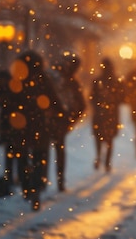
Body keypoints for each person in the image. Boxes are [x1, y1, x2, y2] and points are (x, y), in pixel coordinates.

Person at [10, 50, 66, 211]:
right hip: (39, 125)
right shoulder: (43, 79)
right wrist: (60, 114)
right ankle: (36, 188)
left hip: (20, 125)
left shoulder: (18, 79)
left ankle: (26, 187)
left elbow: (10, 102)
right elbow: (54, 99)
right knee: (39, 158)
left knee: (22, 157)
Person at [47, 52, 86, 191]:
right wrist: (70, 119)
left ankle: (40, 182)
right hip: (58, 120)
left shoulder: (51, 77)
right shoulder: (70, 82)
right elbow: (81, 105)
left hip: (49, 119)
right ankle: (58, 181)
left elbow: (81, 106)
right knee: (58, 149)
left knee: (43, 150)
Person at [90, 57, 124, 172]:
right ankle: (107, 162)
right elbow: (122, 98)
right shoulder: (116, 81)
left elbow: (92, 98)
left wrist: (99, 105)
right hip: (112, 115)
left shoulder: (97, 80)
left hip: (99, 114)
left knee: (98, 138)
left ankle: (99, 156)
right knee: (109, 139)